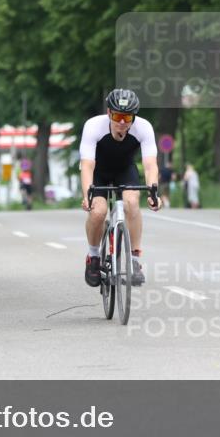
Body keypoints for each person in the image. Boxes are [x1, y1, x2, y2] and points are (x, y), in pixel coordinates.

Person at [79, 88, 162, 288]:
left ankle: (134, 260)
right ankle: (93, 257)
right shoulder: (93, 126)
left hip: (124, 170)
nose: (122, 123)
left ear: (134, 117)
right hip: (98, 171)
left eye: (127, 117)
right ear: (109, 113)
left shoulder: (143, 127)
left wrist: (153, 192)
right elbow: (87, 166)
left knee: (132, 203)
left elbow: (150, 165)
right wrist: (87, 196)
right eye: (117, 116)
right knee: (98, 212)